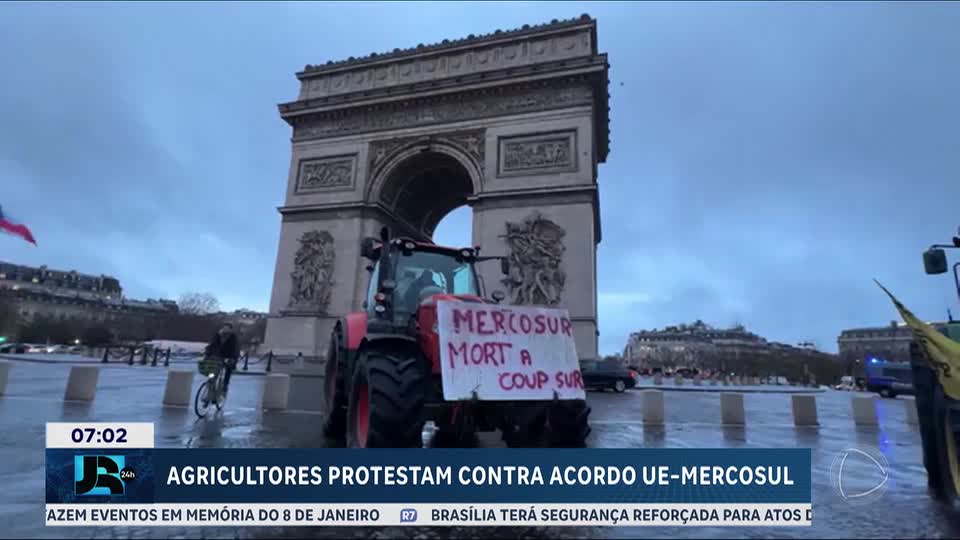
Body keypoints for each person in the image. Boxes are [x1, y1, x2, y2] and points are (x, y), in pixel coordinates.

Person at [205, 323, 240, 396]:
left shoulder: (233, 337)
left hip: (228, 357)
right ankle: (210, 383)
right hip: (217, 357)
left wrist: (233, 358)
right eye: (224, 328)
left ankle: (225, 385)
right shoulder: (218, 335)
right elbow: (212, 345)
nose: (225, 329)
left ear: (230, 329)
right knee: (213, 371)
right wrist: (208, 354)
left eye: (227, 328)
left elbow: (235, 348)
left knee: (228, 369)